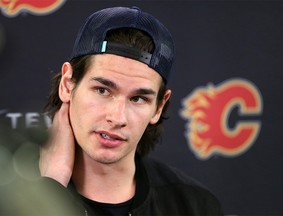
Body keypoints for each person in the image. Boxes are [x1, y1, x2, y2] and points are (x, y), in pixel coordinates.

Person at [38, 6, 223, 216]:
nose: (117, 118)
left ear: (159, 107)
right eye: (102, 90)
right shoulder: (9, 192)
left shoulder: (194, 206)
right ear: (67, 84)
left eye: (138, 99)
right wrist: (51, 186)